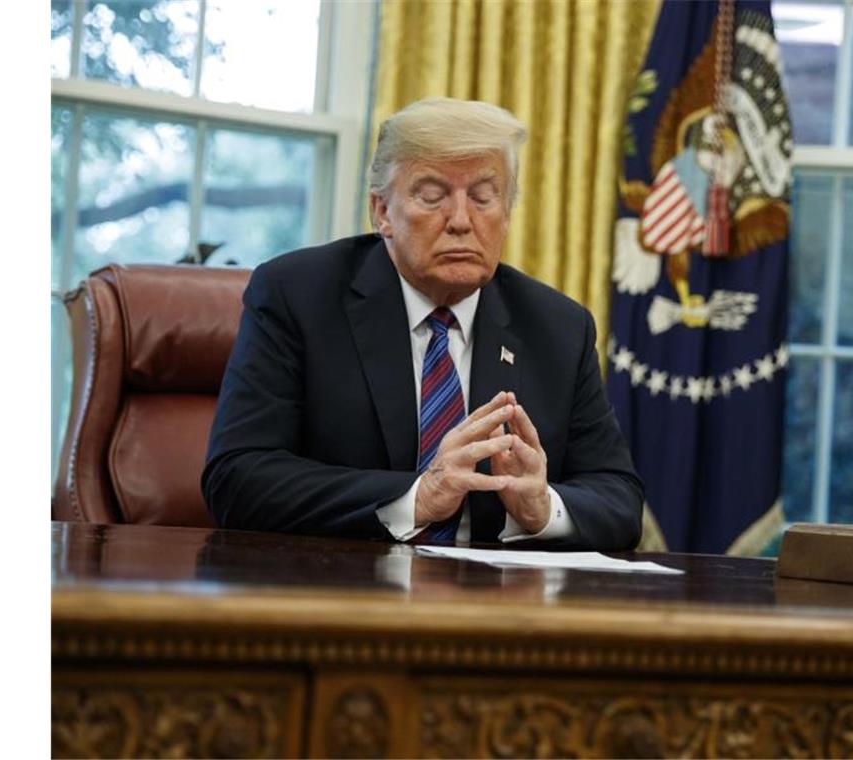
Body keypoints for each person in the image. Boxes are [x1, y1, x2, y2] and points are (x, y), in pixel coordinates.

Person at [202, 97, 643, 551]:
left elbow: (619, 499)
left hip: (496, 608)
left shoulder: (559, 328)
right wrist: (419, 496)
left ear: (507, 213)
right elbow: (237, 478)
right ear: (382, 212)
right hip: (338, 592)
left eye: (483, 198)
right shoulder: (296, 296)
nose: (460, 221)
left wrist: (542, 508)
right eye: (432, 197)